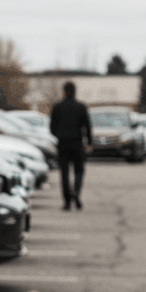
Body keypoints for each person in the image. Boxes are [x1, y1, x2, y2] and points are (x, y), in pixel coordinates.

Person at [49, 81, 93, 210]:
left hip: (63, 143)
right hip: (77, 143)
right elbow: (87, 126)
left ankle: (67, 200)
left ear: (64, 91)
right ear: (75, 91)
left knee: (64, 173)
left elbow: (51, 127)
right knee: (79, 171)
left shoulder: (57, 107)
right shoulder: (81, 107)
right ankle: (76, 193)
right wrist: (89, 142)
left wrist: (59, 135)